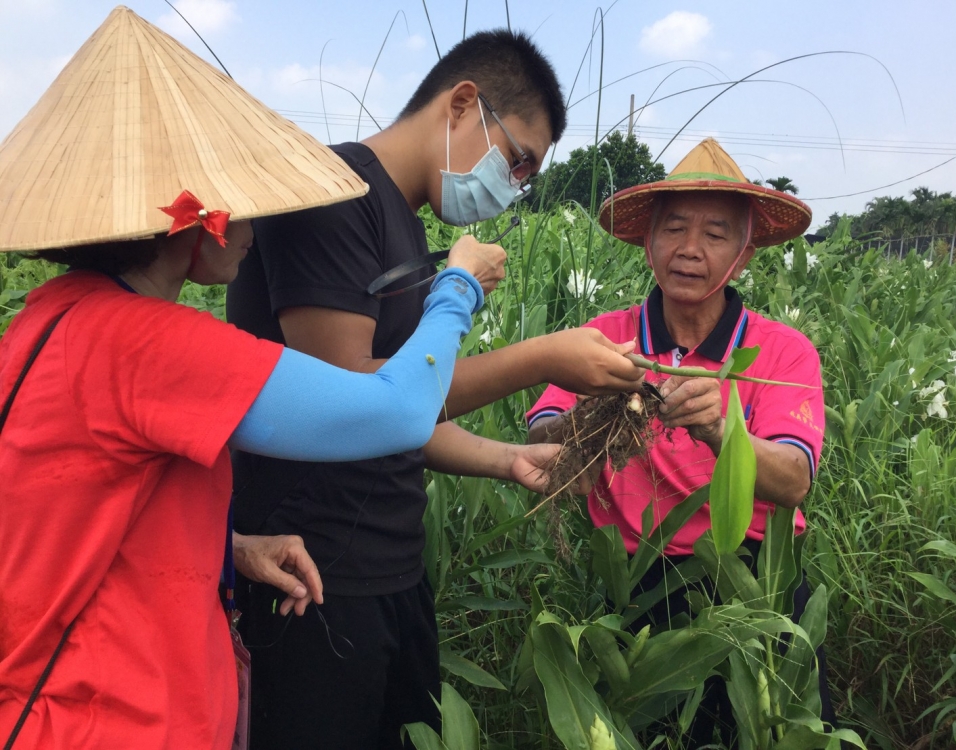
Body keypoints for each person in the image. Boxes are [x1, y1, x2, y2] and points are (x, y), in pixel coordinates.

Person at [0, 8, 511, 749]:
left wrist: (228, 547)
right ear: (194, 215)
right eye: (245, 199)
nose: (255, 226)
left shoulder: (49, 319)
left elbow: (83, 514)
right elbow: (396, 413)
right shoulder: (156, 345)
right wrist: (457, 285)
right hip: (120, 715)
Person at [226, 29, 645, 749]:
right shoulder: (335, 195)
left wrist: (508, 459)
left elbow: (407, 408)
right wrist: (541, 356)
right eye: (517, 162)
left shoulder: (405, 230)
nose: (512, 190)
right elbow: (359, 404)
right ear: (461, 105)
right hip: (313, 581)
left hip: (391, 573)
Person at [527, 138, 836, 746]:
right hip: (632, 583)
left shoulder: (780, 353)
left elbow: (794, 480)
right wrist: (593, 419)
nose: (690, 250)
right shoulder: (604, 338)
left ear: (744, 255)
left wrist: (725, 429)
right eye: (674, 229)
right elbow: (542, 431)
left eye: (716, 234)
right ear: (648, 242)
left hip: (754, 581)